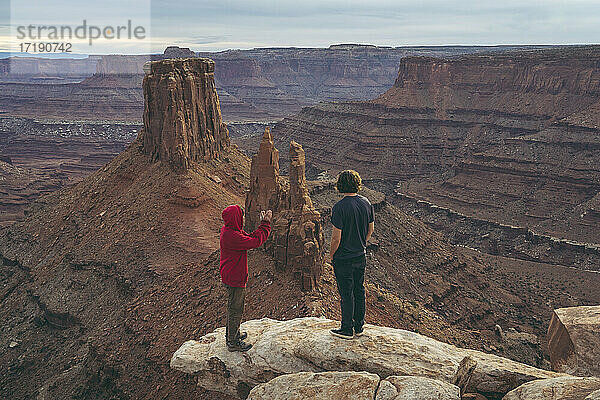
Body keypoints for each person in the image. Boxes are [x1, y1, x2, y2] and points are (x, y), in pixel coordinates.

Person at [220, 205, 272, 351]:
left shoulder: (229, 229)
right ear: (236, 218)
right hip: (234, 278)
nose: (243, 219)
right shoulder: (232, 236)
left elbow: (248, 237)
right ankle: (232, 342)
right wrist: (266, 224)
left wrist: (261, 225)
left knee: (233, 307)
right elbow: (255, 242)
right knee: (236, 309)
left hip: (231, 274)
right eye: (241, 216)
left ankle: (232, 334)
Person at [329, 170, 374, 339]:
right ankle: (359, 326)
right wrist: (361, 243)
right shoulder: (366, 202)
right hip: (360, 255)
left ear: (340, 185)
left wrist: (332, 255)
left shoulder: (339, 207)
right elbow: (371, 230)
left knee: (346, 293)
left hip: (344, 258)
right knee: (359, 290)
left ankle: (347, 329)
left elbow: (336, 238)